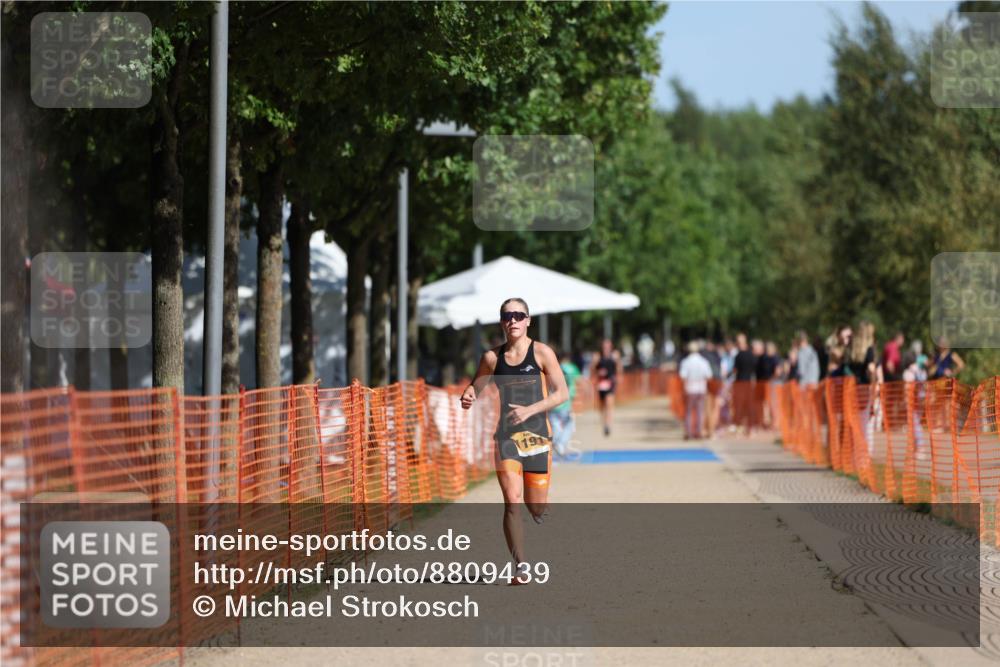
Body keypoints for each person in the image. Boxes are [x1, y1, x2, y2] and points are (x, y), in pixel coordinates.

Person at [460, 298, 568, 584]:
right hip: (506, 437)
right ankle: (521, 566)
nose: (513, 320)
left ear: (528, 320)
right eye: (507, 316)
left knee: (536, 506)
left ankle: (541, 508)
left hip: (537, 437)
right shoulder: (492, 358)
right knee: (511, 501)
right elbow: (477, 384)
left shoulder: (542, 353)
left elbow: (561, 393)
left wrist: (531, 410)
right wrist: (470, 393)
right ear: (501, 322)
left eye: (519, 315)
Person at [549, 348, 581, 460]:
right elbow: (578, 381)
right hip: (565, 402)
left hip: (552, 402)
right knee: (569, 424)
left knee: (555, 425)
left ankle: (556, 445)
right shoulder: (571, 368)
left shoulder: (552, 368)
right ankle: (559, 444)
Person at [679, 341, 713, 440]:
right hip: (701, 388)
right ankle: (699, 431)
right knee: (700, 411)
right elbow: (709, 375)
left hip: (690, 389)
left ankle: (689, 432)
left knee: (688, 411)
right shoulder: (703, 361)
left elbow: (683, 376)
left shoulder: (686, 361)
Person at [592, 338, 622, 437]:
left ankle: (608, 425)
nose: (606, 348)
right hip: (601, 383)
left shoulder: (615, 355)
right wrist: (596, 369)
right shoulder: (597, 356)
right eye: (604, 346)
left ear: (611, 346)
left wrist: (619, 377)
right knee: (602, 406)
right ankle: (603, 423)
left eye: (608, 346)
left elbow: (618, 367)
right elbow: (592, 369)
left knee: (609, 404)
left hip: (610, 382)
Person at [731, 333, 757, 435]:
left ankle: (742, 426)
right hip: (748, 382)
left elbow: (735, 370)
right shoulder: (751, 354)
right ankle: (748, 427)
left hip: (741, 383)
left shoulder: (738, 355)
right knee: (747, 405)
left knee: (740, 405)